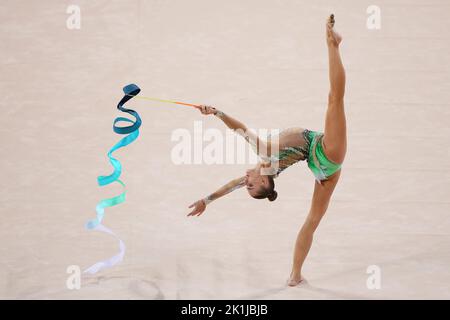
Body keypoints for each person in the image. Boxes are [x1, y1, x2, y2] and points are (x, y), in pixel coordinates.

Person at [187, 14, 346, 286]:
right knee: (335, 99)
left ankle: (295, 275)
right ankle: (333, 45)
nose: (245, 181)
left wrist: (207, 200)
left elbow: (229, 186)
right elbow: (239, 128)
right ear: (263, 181)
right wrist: (216, 112)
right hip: (327, 152)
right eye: (251, 186)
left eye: (246, 185)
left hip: (322, 170)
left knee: (312, 220)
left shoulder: (267, 167)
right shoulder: (266, 155)